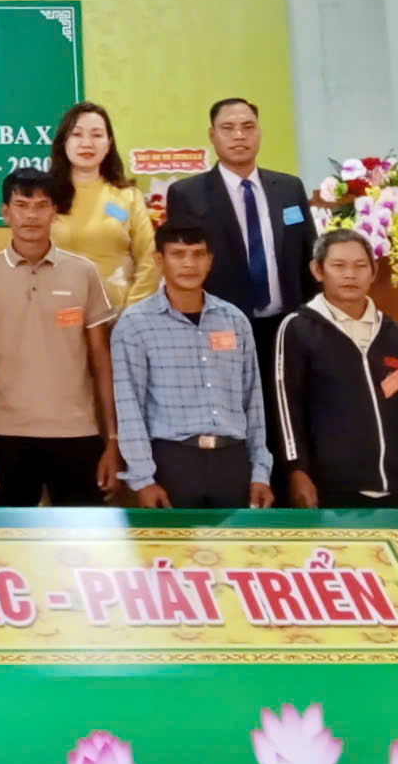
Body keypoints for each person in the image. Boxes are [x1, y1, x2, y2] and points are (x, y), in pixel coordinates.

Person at [0, 168, 119, 507]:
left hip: (77, 432)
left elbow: (101, 361)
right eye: (21, 205)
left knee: (80, 538)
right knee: (10, 538)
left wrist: (113, 441)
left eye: (41, 205)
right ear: (5, 212)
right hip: (4, 433)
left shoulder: (83, 272)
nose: (31, 215)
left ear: (55, 211)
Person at [111, 222, 275, 511]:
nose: (189, 264)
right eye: (178, 254)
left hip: (232, 459)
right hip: (171, 460)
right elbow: (129, 406)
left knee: (235, 542)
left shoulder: (234, 320)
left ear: (210, 260)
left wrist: (260, 471)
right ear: (159, 260)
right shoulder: (135, 325)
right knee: (171, 542)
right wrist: (143, 479)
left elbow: (253, 401)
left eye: (198, 254)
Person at [274, 230, 398, 509]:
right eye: (338, 265)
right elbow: (286, 407)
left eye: (360, 266)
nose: (350, 275)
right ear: (318, 270)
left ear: (373, 272)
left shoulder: (397, 335)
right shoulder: (298, 329)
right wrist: (296, 470)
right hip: (328, 492)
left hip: (397, 490)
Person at [165, 98, 318, 393]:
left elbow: (308, 257)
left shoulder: (289, 188)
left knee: (285, 406)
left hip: (287, 326)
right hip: (220, 328)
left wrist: (312, 319)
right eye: (228, 128)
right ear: (212, 135)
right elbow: (183, 268)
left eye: (248, 127)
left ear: (259, 132)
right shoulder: (187, 194)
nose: (239, 136)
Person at [43, 101, 157, 315]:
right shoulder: (45, 196)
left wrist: (133, 312)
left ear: (109, 143)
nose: (87, 143)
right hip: (56, 314)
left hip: (119, 315)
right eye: (77, 134)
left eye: (96, 135)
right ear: (63, 142)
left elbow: (149, 258)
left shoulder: (128, 196)